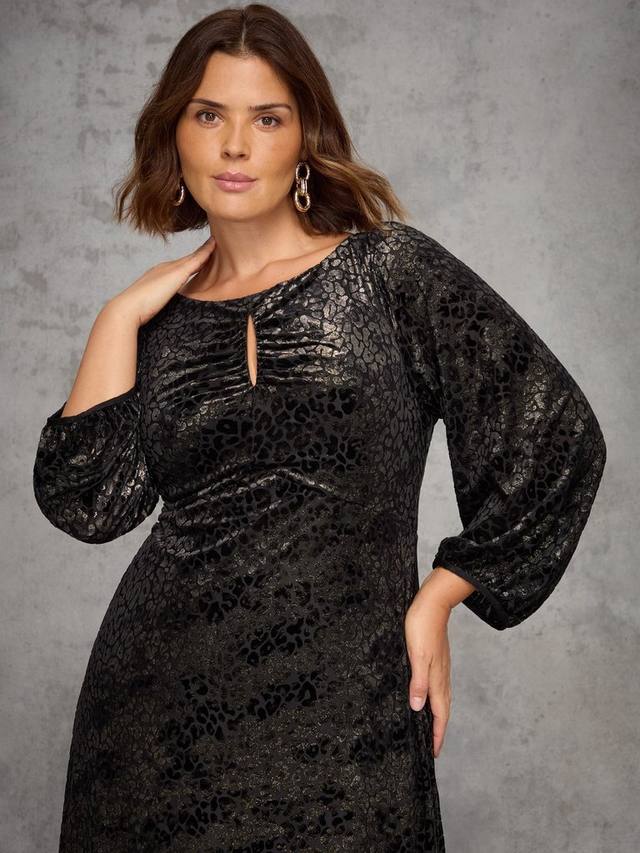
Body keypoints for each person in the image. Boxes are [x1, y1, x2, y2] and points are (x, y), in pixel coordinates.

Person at [32, 4, 607, 851]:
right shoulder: (157, 324)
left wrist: (445, 590)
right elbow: (88, 502)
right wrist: (117, 318)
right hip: (154, 727)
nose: (235, 145)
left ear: (305, 138)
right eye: (208, 115)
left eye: (267, 118)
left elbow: (554, 432)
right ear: (175, 135)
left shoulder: (389, 271)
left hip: (352, 715)